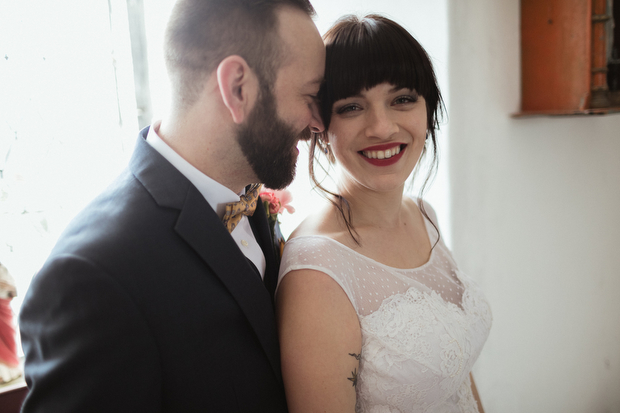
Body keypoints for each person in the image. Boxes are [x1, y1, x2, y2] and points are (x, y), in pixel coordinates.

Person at [18, 0, 324, 411]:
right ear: (237, 87)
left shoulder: (251, 200)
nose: (318, 122)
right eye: (310, 95)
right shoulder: (92, 276)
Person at [276, 14, 492, 413]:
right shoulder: (317, 273)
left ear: (428, 109)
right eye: (353, 106)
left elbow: (457, 375)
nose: (381, 127)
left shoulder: (423, 215)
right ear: (321, 125)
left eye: (402, 99)